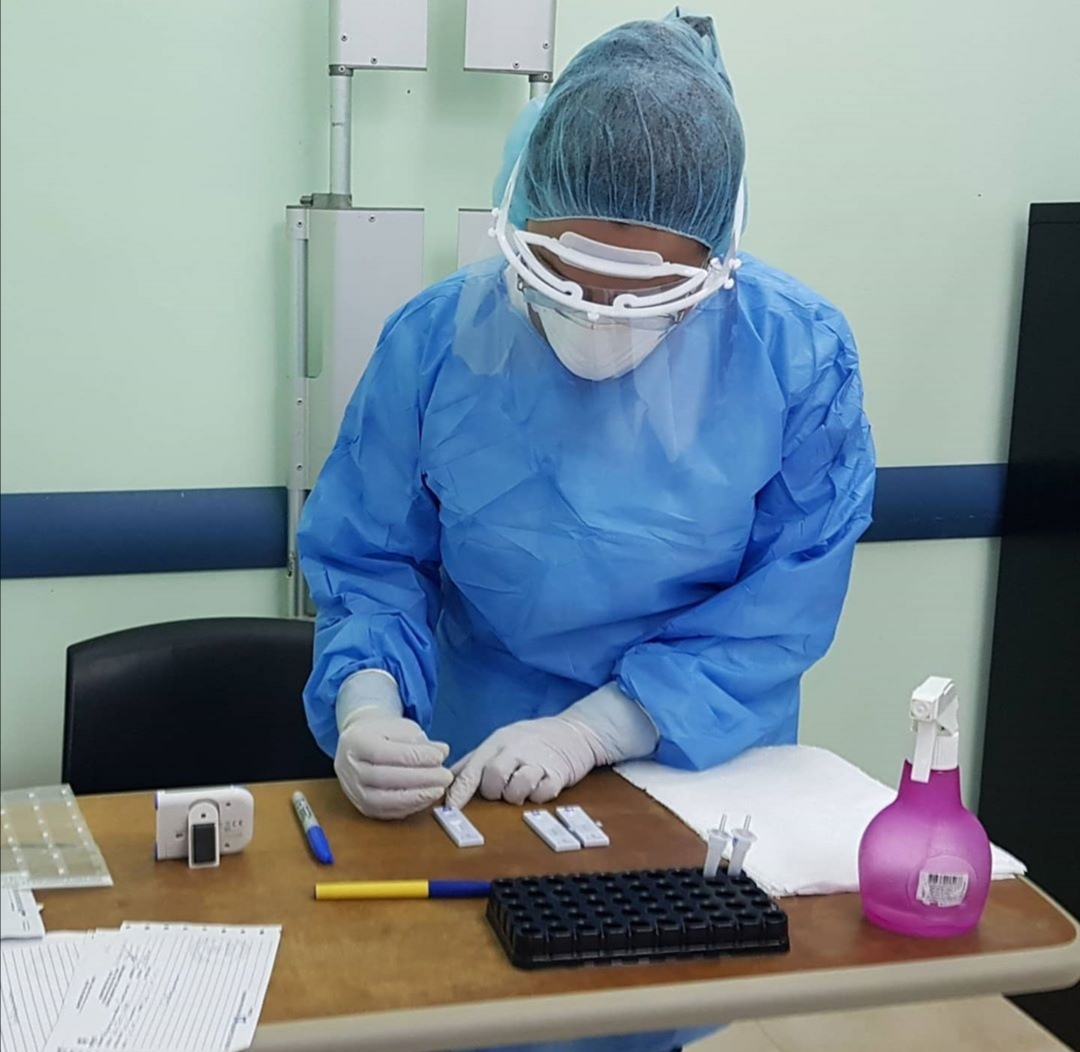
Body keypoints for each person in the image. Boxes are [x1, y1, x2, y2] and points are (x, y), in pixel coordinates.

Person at [300, 11, 874, 1052]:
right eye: (566, 278)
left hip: (685, 770)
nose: (599, 316)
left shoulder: (795, 359)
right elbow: (373, 558)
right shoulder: (435, 341)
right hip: (474, 758)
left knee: (637, 1001)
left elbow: (782, 601)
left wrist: (598, 727)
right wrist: (367, 701)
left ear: (717, 254)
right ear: (522, 210)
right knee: (470, 995)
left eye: (646, 293)